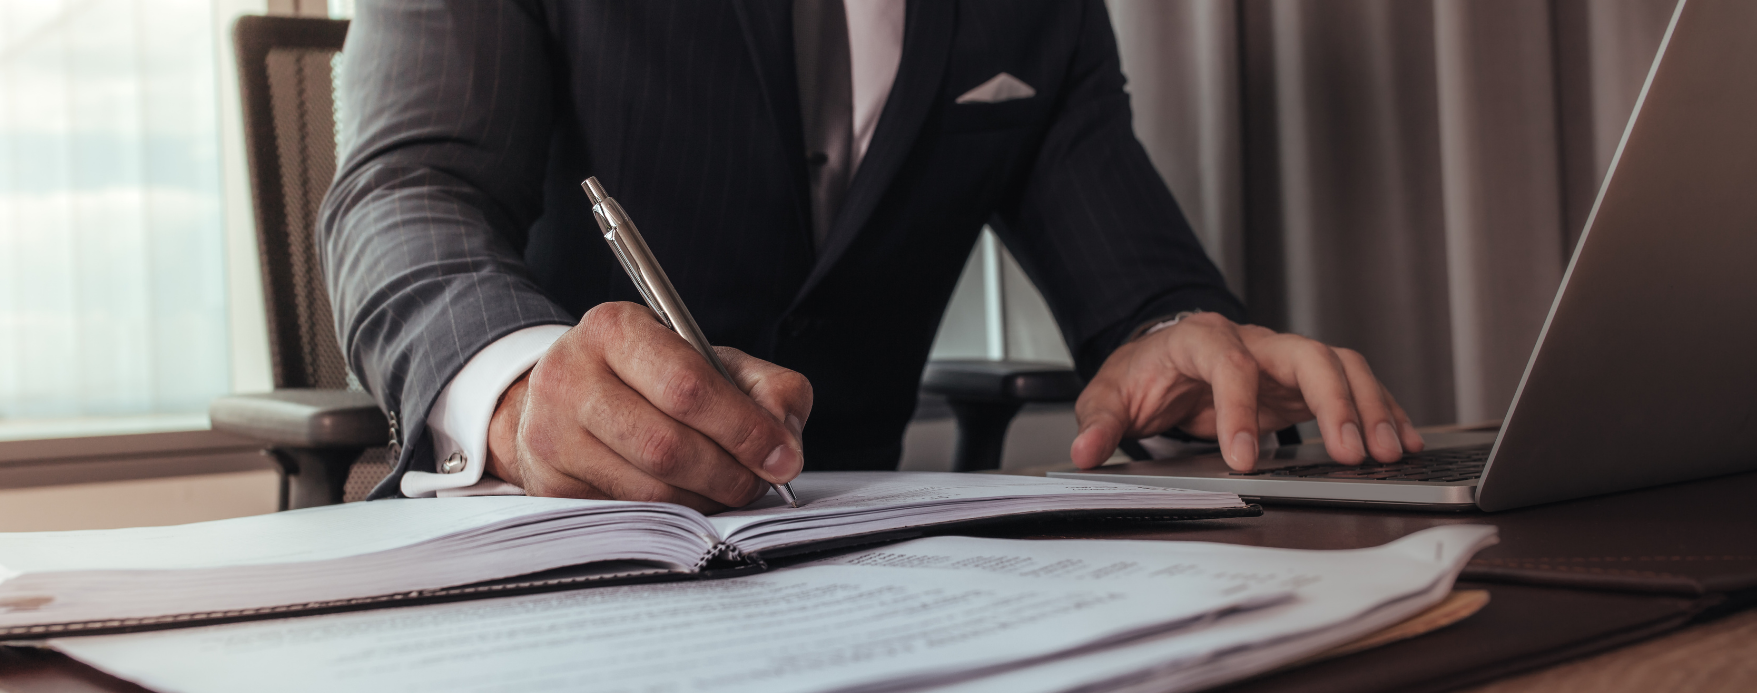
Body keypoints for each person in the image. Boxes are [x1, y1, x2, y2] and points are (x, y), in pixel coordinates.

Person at [322, 0, 1426, 511]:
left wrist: (1178, 342)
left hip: (859, 558)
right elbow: (404, 192)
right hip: (550, 548)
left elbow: (1137, 283)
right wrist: (517, 392)